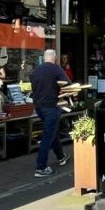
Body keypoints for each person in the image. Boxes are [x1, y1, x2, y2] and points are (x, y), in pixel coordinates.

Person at [29, 48, 71, 176]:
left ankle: (61, 156)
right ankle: (41, 168)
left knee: (52, 131)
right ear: (55, 58)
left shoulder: (36, 70)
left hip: (39, 107)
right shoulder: (56, 68)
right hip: (51, 106)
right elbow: (68, 84)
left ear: (44, 58)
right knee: (48, 136)